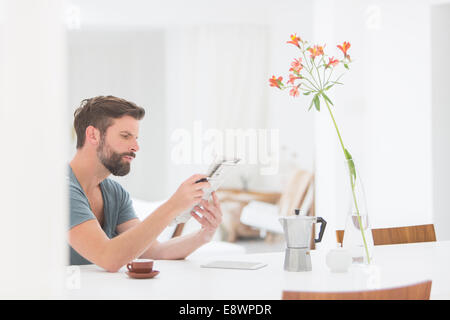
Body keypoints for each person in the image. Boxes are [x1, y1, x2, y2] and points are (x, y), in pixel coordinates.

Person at [68, 95, 222, 272]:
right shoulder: (61, 190)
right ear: (93, 135)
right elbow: (108, 258)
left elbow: (153, 251)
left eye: (136, 138)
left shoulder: (114, 193)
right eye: (125, 136)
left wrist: (203, 235)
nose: (135, 147)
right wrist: (173, 205)